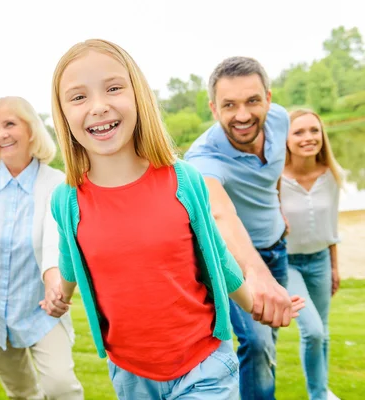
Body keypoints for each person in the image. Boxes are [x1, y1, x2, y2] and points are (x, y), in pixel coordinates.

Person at [40, 39, 302, 400]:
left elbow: (217, 257)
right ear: (62, 113)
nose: (99, 106)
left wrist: (254, 303)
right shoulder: (66, 200)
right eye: (79, 96)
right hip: (131, 374)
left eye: (114, 88)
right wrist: (62, 294)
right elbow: (71, 258)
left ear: (139, 96)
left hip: (204, 363)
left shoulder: (183, 180)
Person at [0, 96, 83, 400]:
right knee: (21, 394)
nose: (1, 134)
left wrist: (55, 287)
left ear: (31, 130)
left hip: (41, 310)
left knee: (61, 387)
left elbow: (54, 243)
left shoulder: (56, 183)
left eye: (10, 124)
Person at [184, 56, 296, 399]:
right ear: (214, 109)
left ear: (269, 99)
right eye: (229, 105)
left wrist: (277, 206)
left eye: (252, 101)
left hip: (278, 247)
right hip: (239, 262)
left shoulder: (280, 121)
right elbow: (220, 213)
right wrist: (256, 274)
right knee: (258, 344)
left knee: (269, 340)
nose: (243, 115)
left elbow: (273, 173)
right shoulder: (203, 158)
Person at [281, 109, 343, 400]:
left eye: (314, 131)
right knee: (313, 331)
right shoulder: (276, 179)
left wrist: (334, 266)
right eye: (299, 132)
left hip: (320, 260)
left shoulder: (331, 174)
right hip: (288, 265)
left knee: (324, 332)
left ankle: (320, 391)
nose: (309, 138)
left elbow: (332, 225)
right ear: (287, 139)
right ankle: (319, 395)